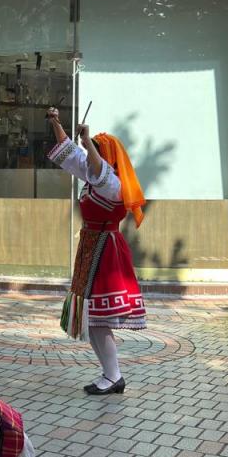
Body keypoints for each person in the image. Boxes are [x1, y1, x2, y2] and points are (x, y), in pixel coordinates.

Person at [46, 108, 147, 394]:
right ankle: (110, 375)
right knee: (91, 318)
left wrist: (88, 141)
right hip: (92, 247)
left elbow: (98, 169)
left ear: (107, 157)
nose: (91, 157)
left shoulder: (112, 184)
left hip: (106, 251)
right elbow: (70, 153)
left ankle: (114, 376)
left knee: (96, 318)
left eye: (98, 152)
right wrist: (55, 123)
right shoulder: (93, 176)